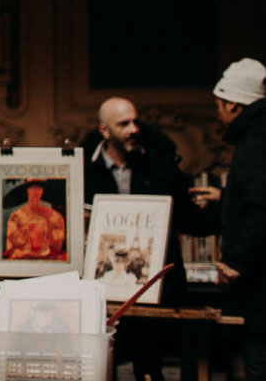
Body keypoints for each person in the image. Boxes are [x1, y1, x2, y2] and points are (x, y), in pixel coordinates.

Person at [82, 96, 214, 379]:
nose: (133, 129)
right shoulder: (83, 168)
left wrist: (227, 206)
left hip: (152, 288)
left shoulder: (157, 164)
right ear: (104, 131)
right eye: (123, 124)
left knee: (149, 365)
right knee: (103, 364)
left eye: (135, 121)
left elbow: (187, 219)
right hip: (102, 288)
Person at [212, 58, 266, 379]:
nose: (217, 114)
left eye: (219, 105)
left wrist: (236, 263)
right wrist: (226, 198)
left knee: (257, 367)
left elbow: (262, 209)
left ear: (233, 104)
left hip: (259, 292)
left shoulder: (254, 141)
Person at [3, 180, 66, 259]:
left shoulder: (56, 217)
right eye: (31, 188)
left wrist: (48, 224)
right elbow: (10, 249)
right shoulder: (16, 217)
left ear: (43, 191)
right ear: (26, 190)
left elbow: (58, 248)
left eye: (39, 188)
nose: (35, 192)